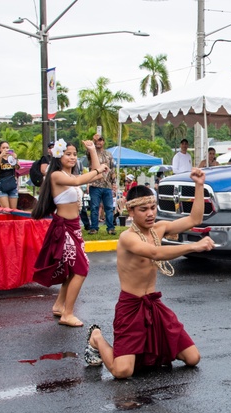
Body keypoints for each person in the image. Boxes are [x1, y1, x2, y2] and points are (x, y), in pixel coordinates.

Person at [83, 170, 215, 378]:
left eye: (153, 208)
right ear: (132, 212)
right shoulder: (127, 238)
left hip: (153, 305)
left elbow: (195, 218)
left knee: (193, 358)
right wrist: (193, 247)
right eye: (144, 209)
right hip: (131, 307)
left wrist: (199, 186)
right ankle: (97, 337)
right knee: (122, 371)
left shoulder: (158, 229)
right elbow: (155, 252)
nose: (150, 213)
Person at [31, 139, 109, 326]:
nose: (73, 157)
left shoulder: (68, 173)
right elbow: (80, 179)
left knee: (72, 271)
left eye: (74, 154)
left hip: (74, 228)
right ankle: (68, 313)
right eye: (68, 154)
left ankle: (59, 306)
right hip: (64, 228)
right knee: (80, 270)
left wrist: (92, 151)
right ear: (59, 156)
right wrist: (98, 170)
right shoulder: (56, 175)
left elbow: (95, 176)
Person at [85, 133, 116, 235]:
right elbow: (88, 152)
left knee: (109, 208)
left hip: (107, 185)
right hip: (95, 184)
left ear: (104, 142)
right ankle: (94, 227)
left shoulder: (108, 154)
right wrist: (92, 142)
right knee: (94, 207)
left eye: (100, 140)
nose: (99, 142)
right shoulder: (92, 153)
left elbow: (112, 169)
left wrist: (114, 184)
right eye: (97, 140)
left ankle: (110, 228)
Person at [0, 140, 19, 209]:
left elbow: (18, 167)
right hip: (2, 184)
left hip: (12, 183)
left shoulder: (11, 158)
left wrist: (15, 158)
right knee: (6, 209)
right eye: (3, 148)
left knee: (13, 209)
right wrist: (1, 156)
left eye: (7, 147)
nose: (5, 149)